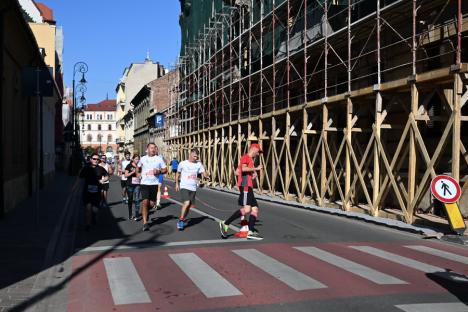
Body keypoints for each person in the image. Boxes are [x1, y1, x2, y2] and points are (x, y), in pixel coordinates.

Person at [219, 143, 263, 240]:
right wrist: (256, 169)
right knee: (247, 210)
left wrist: (254, 174)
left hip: (249, 186)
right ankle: (226, 223)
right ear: (254, 149)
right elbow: (243, 168)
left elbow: (239, 170)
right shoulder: (245, 157)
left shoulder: (250, 160)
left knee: (255, 209)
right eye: (258, 152)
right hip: (245, 186)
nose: (258, 154)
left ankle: (250, 231)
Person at [175, 149, 209, 230]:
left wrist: (206, 175)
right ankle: (181, 220)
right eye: (194, 156)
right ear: (190, 154)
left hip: (193, 188)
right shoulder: (183, 163)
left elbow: (204, 173)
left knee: (188, 206)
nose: (196, 158)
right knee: (187, 202)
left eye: (197, 156)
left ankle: (182, 217)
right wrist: (176, 183)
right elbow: (178, 173)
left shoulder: (198, 164)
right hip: (184, 186)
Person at [139, 143, 167, 231]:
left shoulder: (159, 159)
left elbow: (165, 169)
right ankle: (145, 223)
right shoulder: (143, 158)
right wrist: (137, 174)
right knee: (145, 201)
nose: (153, 149)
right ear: (147, 149)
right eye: (151, 148)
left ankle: (145, 210)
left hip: (154, 184)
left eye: (154, 148)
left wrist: (158, 171)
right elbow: (138, 167)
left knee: (151, 204)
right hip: (144, 183)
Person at [79, 153, 109, 230]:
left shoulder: (100, 168)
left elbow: (107, 176)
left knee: (95, 209)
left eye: (97, 159)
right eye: (94, 159)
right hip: (87, 191)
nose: (96, 160)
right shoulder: (86, 168)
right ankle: (88, 225)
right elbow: (80, 176)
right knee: (88, 208)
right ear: (91, 159)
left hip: (97, 191)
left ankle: (93, 215)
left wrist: (103, 180)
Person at [124, 154, 141, 220]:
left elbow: (140, 174)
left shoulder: (139, 166)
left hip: (137, 185)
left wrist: (140, 175)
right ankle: (130, 214)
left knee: (137, 200)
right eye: (136, 159)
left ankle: (137, 215)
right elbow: (125, 175)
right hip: (130, 185)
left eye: (138, 159)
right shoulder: (129, 166)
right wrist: (132, 172)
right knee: (130, 200)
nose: (137, 160)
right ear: (133, 159)